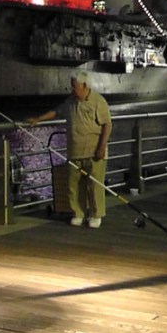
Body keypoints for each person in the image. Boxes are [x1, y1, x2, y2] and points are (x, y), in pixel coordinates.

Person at [27, 70, 112, 228]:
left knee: (95, 186)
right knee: (73, 186)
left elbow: (107, 125)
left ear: (84, 85)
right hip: (75, 150)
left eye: (75, 86)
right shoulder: (70, 101)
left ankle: (96, 214)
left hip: (94, 151)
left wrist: (102, 147)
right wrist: (38, 119)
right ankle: (77, 213)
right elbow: (57, 111)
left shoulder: (98, 101)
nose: (72, 89)